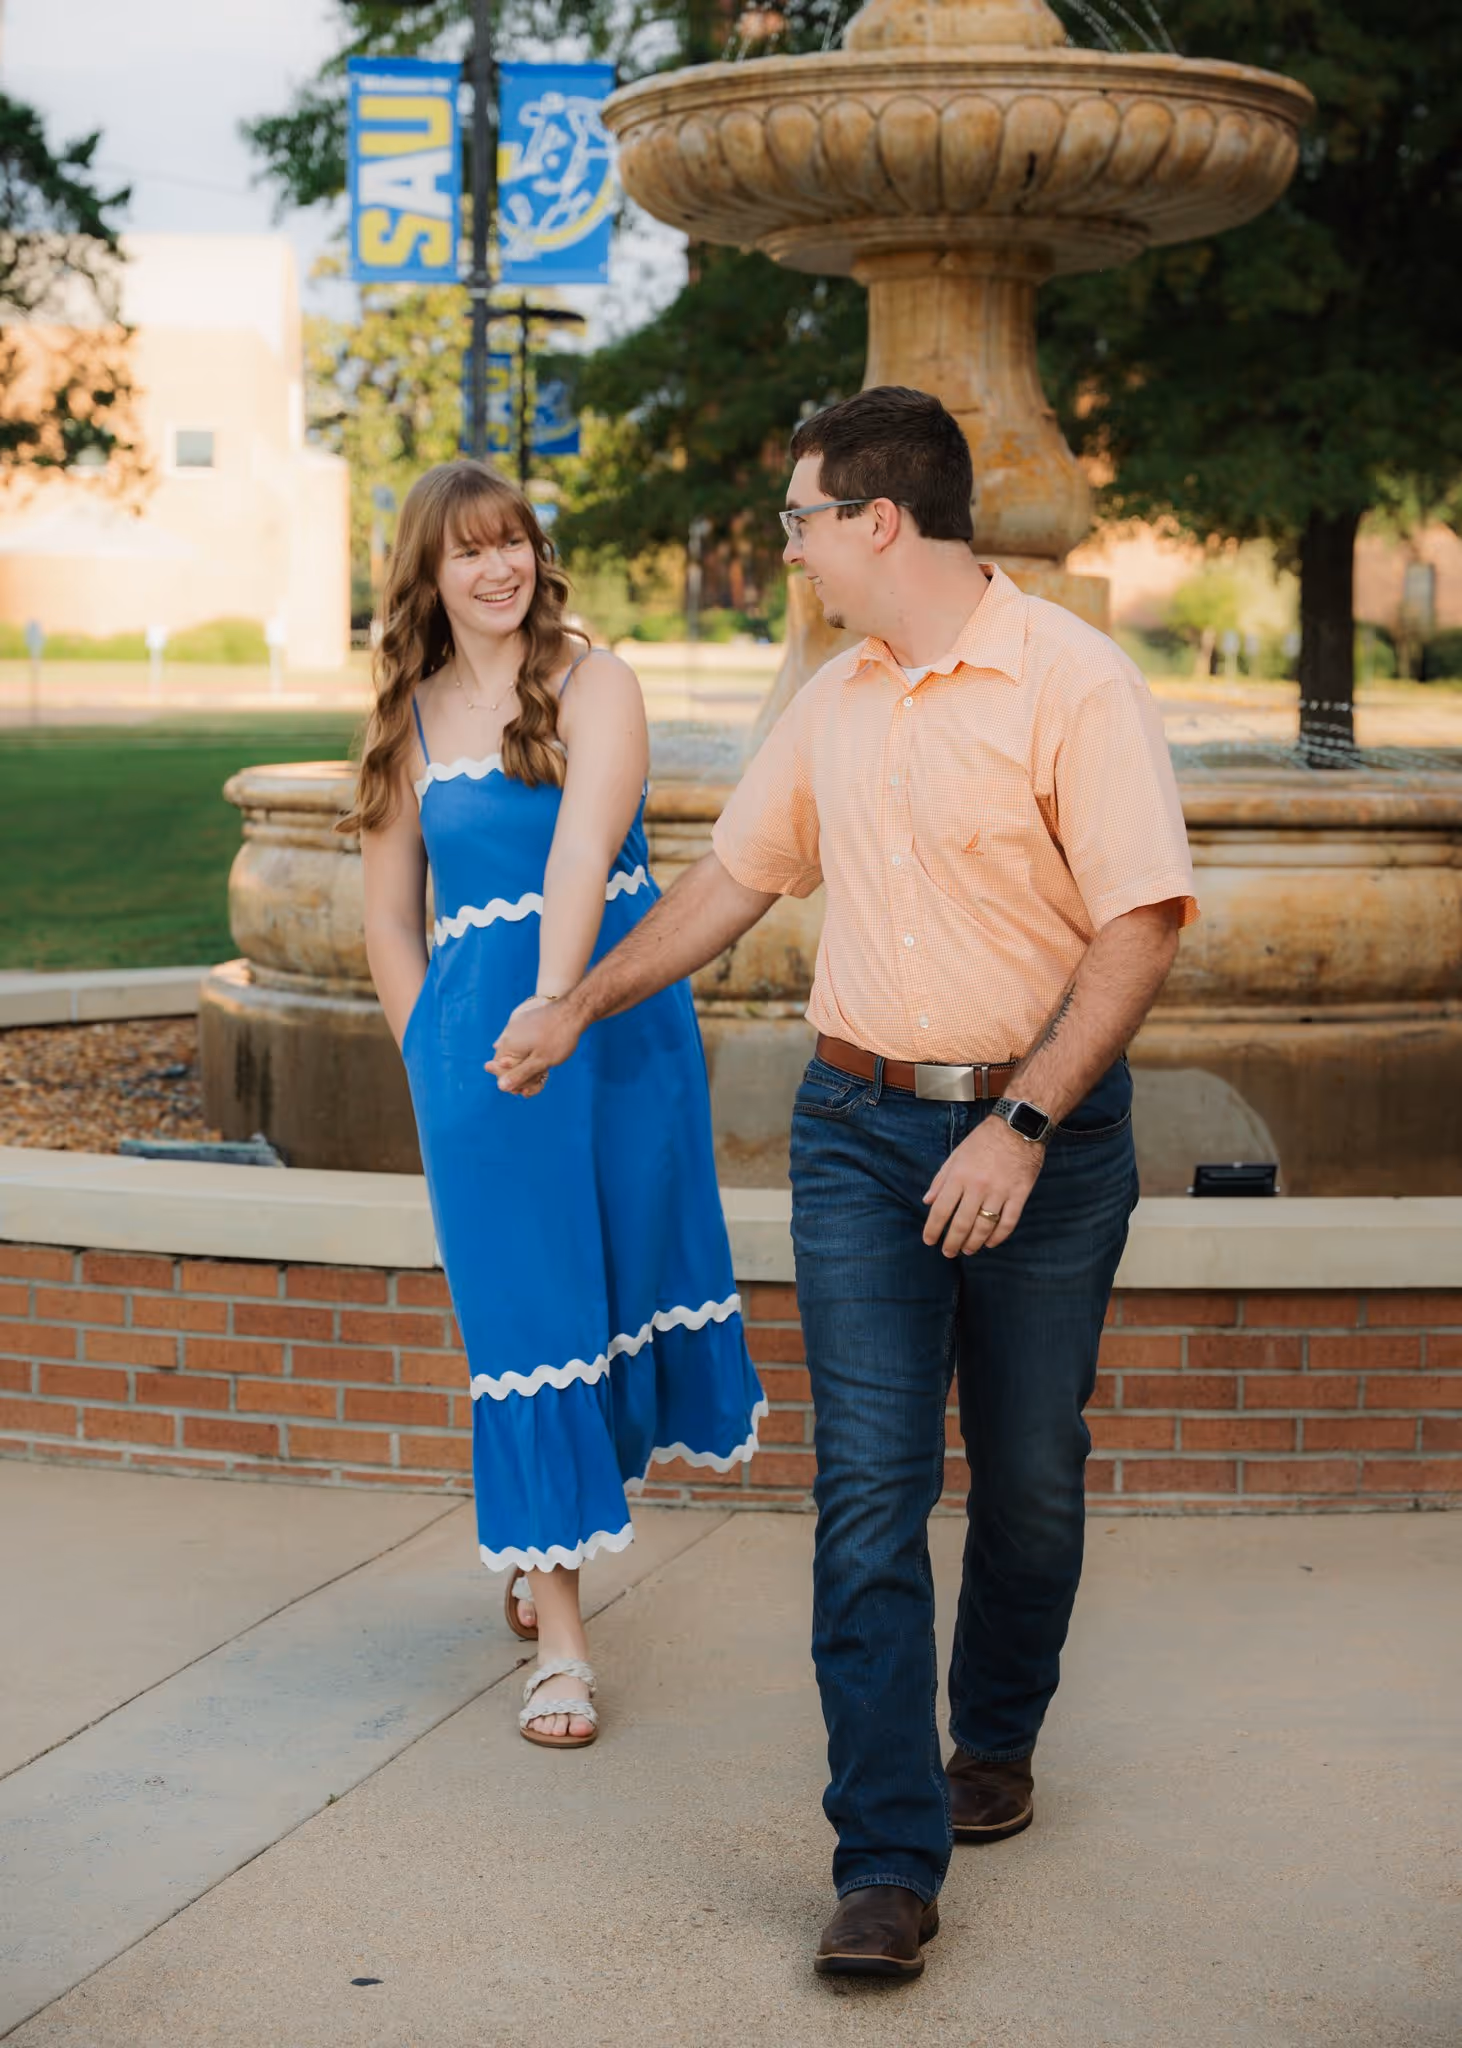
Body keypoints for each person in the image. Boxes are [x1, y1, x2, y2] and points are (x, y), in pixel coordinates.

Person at [490, 385, 1197, 1973]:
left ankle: (993, 1736)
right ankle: (884, 1857)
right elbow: (732, 880)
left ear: (879, 521)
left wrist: (1017, 1126)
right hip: (859, 1133)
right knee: (869, 1488)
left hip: (1044, 1143)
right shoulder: (835, 696)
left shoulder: (1070, 684)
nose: (789, 545)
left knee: (1024, 1473)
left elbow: (1137, 923)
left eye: (802, 518)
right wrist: (576, 1000)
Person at [348, 460, 765, 1752]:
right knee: (528, 1327)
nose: (496, 569)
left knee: (619, 1295)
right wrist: (434, 1053)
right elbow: (384, 918)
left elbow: (585, 851)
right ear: (426, 574)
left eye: (512, 543)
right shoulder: (406, 723)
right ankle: (565, 1642)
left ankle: (551, 1531)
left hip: (614, 1033)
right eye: (467, 552)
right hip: (479, 1065)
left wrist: (553, 1008)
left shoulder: (598, 683)